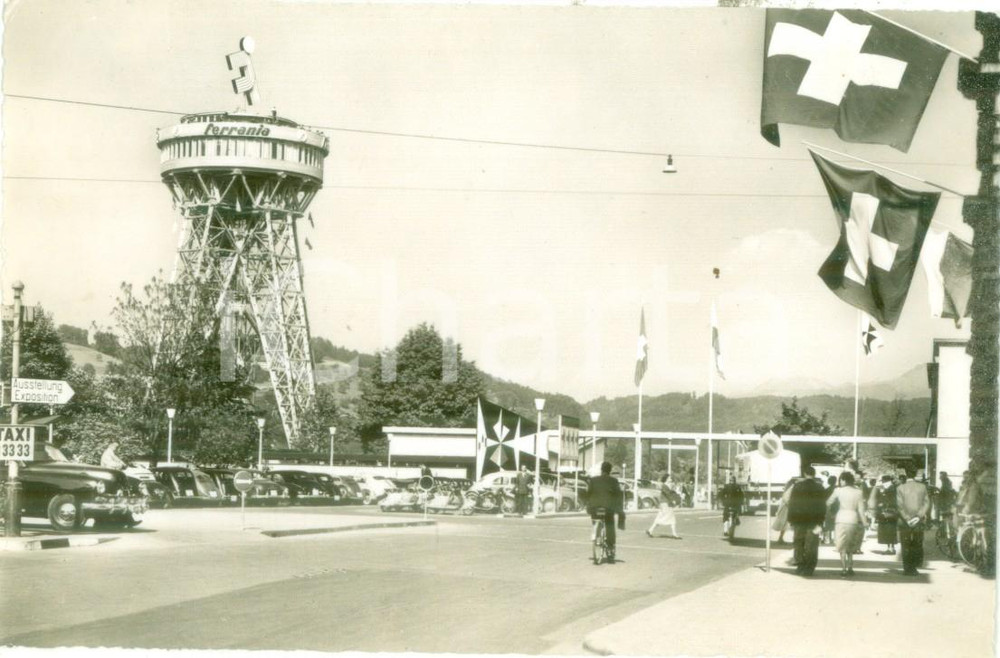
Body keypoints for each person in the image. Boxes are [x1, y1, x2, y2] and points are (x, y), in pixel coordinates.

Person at [788, 466, 827, 576]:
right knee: (812, 544)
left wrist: (791, 519)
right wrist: (821, 521)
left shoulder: (798, 486)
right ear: (814, 474)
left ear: (804, 474)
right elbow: (822, 506)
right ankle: (810, 568)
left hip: (799, 520)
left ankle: (800, 565)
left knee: (799, 543)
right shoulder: (820, 488)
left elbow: (792, 503)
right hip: (814, 521)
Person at [827, 471, 867, 577]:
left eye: (841, 480)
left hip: (840, 519)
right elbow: (861, 510)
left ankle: (843, 568)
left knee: (841, 544)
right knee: (851, 544)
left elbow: (828, 503)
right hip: (853, 519)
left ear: (843, 480)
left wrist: (831, 513)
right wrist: (865, 522)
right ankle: (850, 568)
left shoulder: (838, 490)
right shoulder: (858, 492)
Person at [587, 461, 625, 562]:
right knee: (610, 525)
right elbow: (618, 495)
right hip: (608, 508)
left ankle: (597, 532)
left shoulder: (593, 480)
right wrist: (619, 508)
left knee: (595, 519)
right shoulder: (613, 481)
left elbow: (588, 493)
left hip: (594, 508)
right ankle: (610, 549)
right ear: (609, 470)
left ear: (601, 470)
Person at [896, 472, 931, 576]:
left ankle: (907, 568)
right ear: (915, 475)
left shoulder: (900, 488)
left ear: (906, 475)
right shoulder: (922, 487)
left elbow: (899, 506)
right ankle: (915, 568)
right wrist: (918, 516)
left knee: (905, 544)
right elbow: (926, 503)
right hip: (918, 520)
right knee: (917, 543)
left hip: (904, 521)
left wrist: (907, 518)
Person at [868, 475, 899, 555]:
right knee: (889, 531)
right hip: (888, 513)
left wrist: (882, 504)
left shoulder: (892, 488)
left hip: (889, 512)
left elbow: (893, 500)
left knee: (890, 531)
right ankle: (890, 547)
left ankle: (891, 548)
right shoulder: (893, 487)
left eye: (883, 481)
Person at [718, 473, 744, 538]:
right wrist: (741, 503)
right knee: (734, 515)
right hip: (734, 504)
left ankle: (725, 530)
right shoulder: (737, 487)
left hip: (728, 504)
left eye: (731, 480)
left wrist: (722, 501)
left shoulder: (727, 486)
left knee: (725, 516)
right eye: (731, 480)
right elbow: (741, 496)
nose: (731, 481)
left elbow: (721, 494)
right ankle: (734, 521)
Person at [772, 478, 795, 545]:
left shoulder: (789, 488)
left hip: (786, 507)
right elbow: (786, 499)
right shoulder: (791, 488)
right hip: (787, 508)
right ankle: (781, 538)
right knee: (786, 523)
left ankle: (781, 538)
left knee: (785, 524)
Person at [822, 475, 838, 545]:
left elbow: (824, 500)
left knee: (827, 524)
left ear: (829, 482)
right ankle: (835, 540)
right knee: (835, 524)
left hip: (828, 508)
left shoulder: (826, 490)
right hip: (837, 508)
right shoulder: (838, 489)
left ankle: (827, 540)